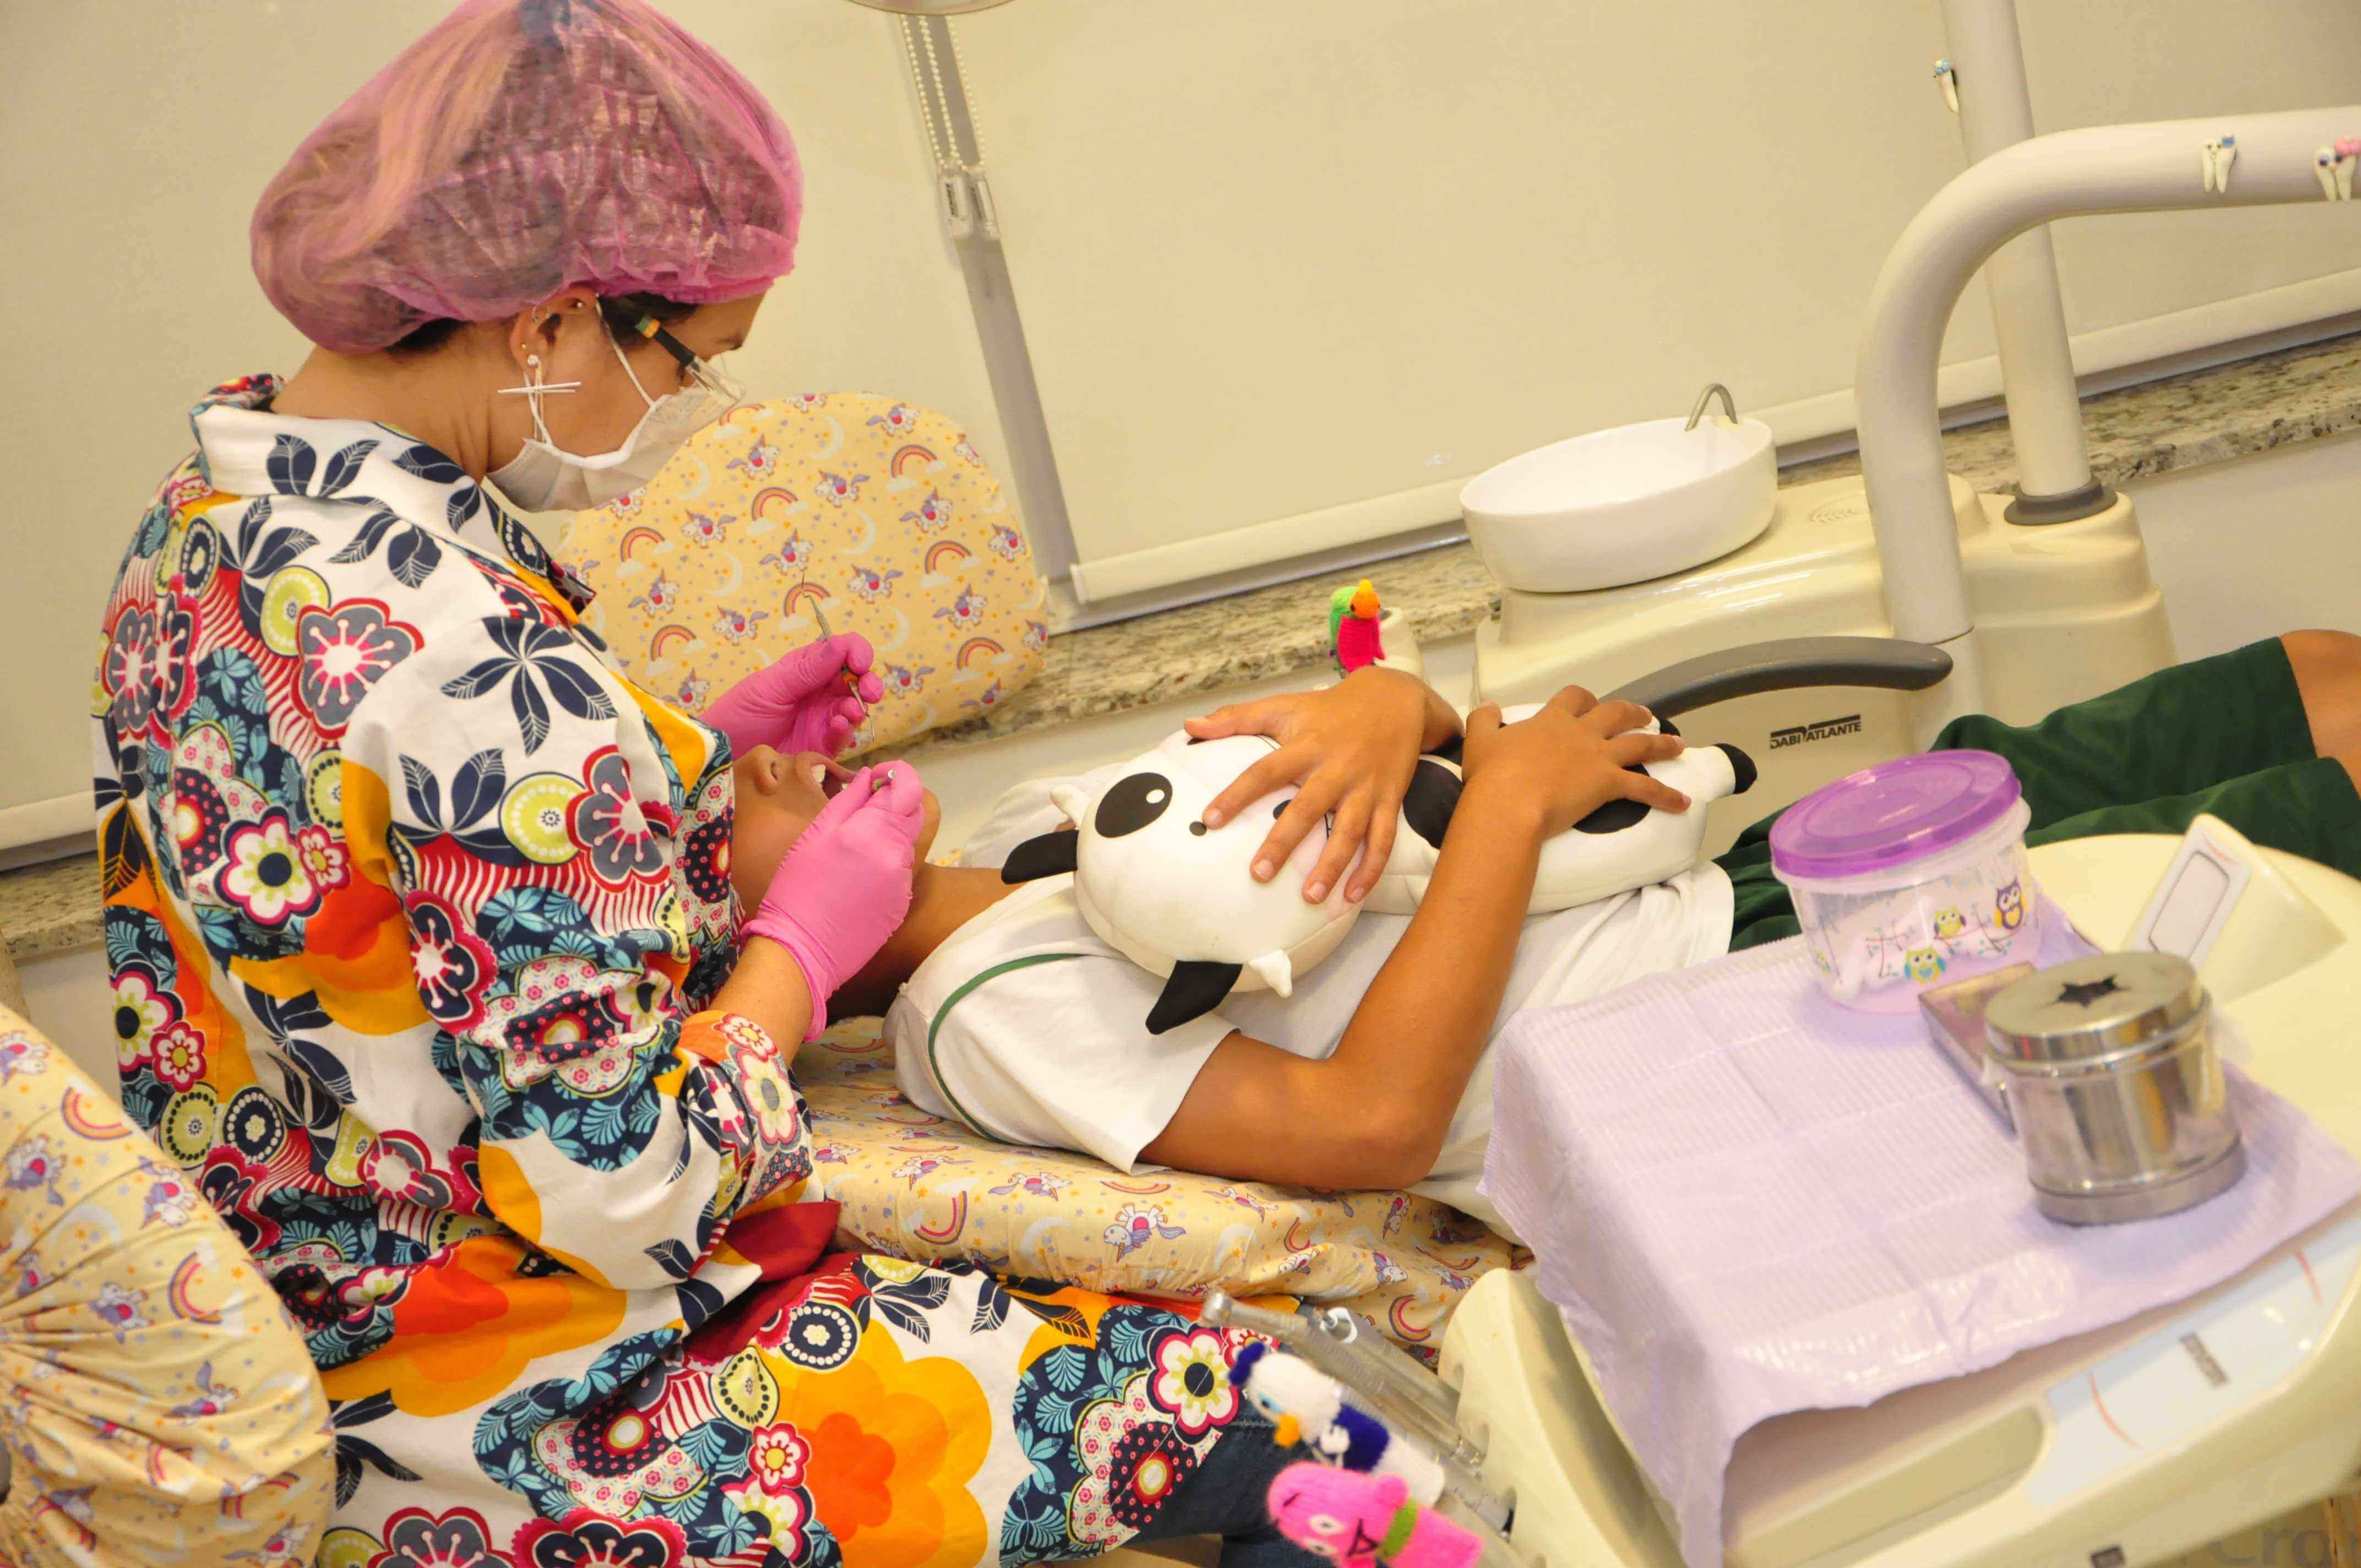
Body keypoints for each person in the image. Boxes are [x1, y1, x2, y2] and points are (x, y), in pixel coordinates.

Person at [93, 3, 1329, 1563]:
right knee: (1310, 1437)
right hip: (536, 1400)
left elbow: (380, 885)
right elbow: (624, 1191)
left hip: (303, 1320)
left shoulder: (204, 519)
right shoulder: (477, 672)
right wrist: (797, 948)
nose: (695, 414)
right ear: (550, 323)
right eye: (694, 362)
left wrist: (666, 773)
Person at [710, 638, 2361, 1232]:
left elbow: (1390, 772)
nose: (763, 758)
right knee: (2319, 809)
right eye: (717, 798)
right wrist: (1502, 807)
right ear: (736, 922)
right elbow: (1369, 1126)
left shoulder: (1033, 826)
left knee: (2309, 674)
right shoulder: (979, 1010)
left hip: (1722, 877)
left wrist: (1393, 707)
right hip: (1743, 989)